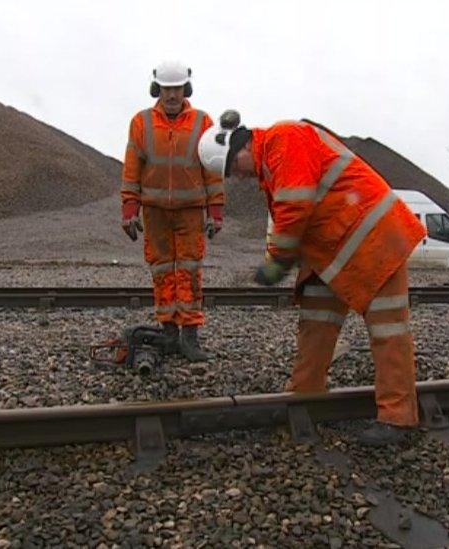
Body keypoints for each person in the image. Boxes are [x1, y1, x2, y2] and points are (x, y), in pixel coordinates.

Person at [197, 111, 426, 446]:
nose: (239, 177)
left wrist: (277, 263)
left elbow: (295, 208)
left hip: (377, 241)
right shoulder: (271, 163)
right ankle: (305, 397)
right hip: (336, 250)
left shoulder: (284, 139)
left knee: (387, 330)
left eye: (234, 168)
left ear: (238, 149)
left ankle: (398, 420)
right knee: (315, 320)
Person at [121, 61, 224, 362]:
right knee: (163, 272)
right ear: (158, 89)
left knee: (189, 272)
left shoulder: (203, 123)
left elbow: (213, 169)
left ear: (185, 89)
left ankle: (189, 337)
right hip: (154, 212)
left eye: (176, 88)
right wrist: (129, 209)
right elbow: (132, 168)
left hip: (191, 212)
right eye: (166, 89)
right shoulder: (141, 123)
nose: (171, 95)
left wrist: (215, 212)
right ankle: (168, 333)